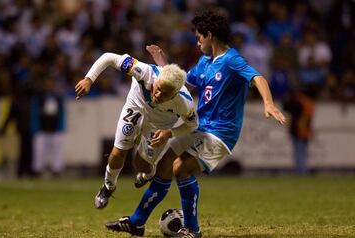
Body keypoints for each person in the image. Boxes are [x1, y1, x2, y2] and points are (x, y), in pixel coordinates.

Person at [104, 10, 286, 238]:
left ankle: (192, 229)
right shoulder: (203, 63)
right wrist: (162, 63)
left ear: (209, 35)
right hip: (200, 128)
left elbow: (258, 77)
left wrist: (268, 103)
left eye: (199, 37)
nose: (197, 42)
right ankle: (136, 222)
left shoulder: (231, 60)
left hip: (220, 133)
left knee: (181, 168)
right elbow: (179, 86)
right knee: (165, 164)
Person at [75, 50, 198, 210]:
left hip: (160, 125)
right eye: (158, 88)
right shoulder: (145, 71)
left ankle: (149, 172)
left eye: (165, 94)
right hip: (136, 108)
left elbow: (192, 125)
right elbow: (109, 57)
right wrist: (89, 79)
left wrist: (170, 133)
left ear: (175, 94)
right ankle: (108, 187)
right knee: (118, 152)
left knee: (140, 165)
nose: (158, 94)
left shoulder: (185, 103)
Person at [283, 88, 315, 175]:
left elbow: (286, 107)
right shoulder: (310, 103)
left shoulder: (301, 102)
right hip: (306, 131)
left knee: (298, 153)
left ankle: (300, 172)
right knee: (303, 153)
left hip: (299, 131)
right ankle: (303, 171)